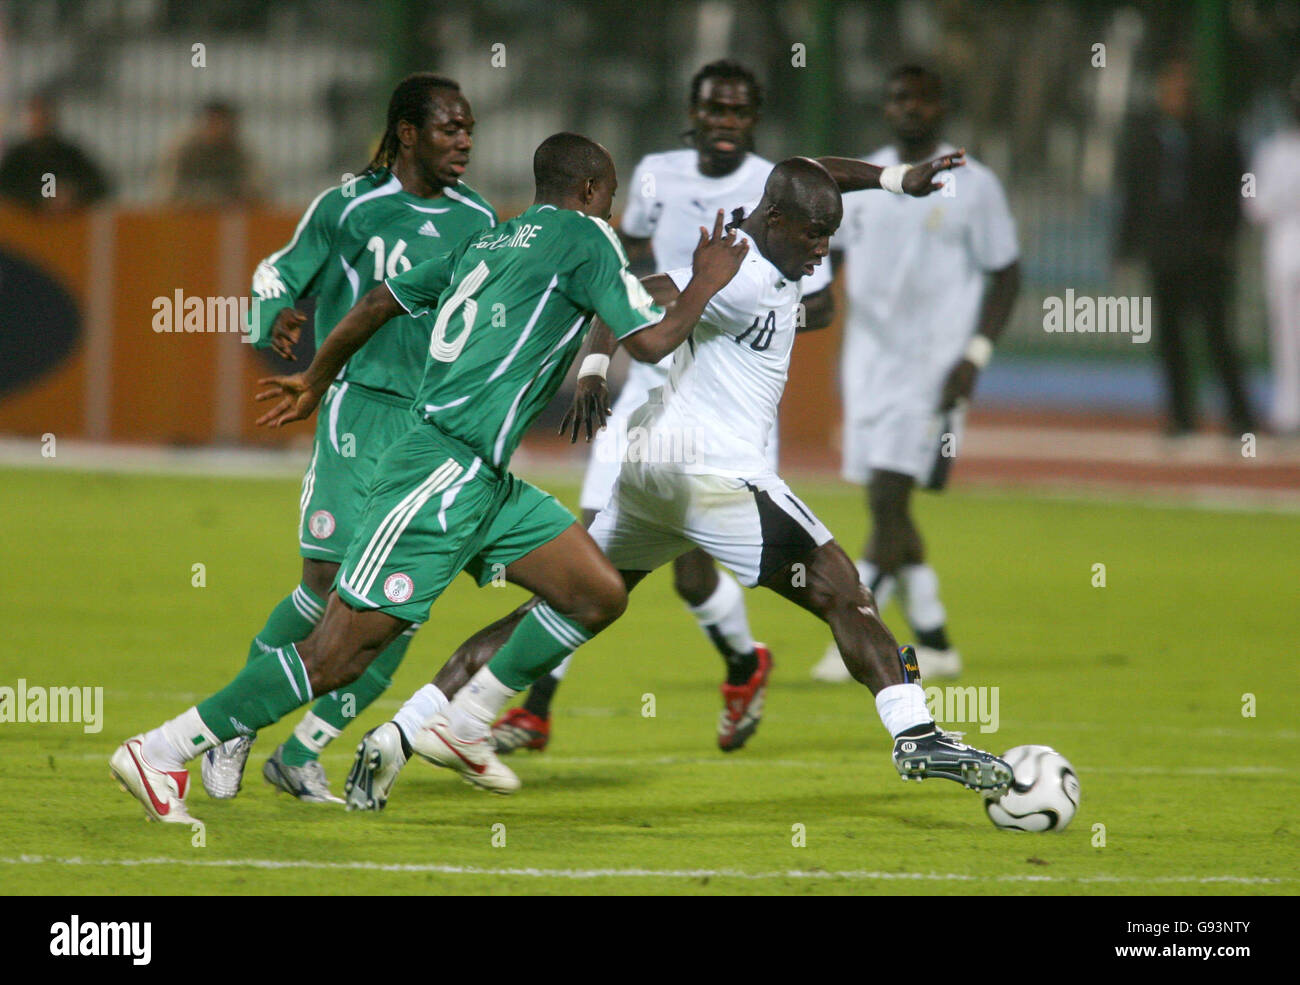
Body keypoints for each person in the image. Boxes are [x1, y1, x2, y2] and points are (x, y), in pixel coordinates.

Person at [110, 132, 749, 823]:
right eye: (612, 194)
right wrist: (708, 279)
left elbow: (380, 299)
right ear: (593, 191)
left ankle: (464, 719)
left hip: (486, 480)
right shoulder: (585, 238)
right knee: (338, 655)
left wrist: (315, 381)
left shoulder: (494, 241)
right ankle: (164, 747)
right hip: (442, 469)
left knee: (595, 591)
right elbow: (652, 339)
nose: (612, 208)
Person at [344, 155, 1014, 813]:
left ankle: (408, 730)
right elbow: (646, 313)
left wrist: (896, 181)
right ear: (776, 219)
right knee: (845, 590)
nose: (821, 250)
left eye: (829, 234)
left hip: (650, 476)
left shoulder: (774, 221)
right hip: (716, 477)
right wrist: (607, 358)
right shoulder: (741, 273)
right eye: (813, 235)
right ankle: (917, 735)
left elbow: (811, 175)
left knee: (560, 605)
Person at [494, 60, 834, 756]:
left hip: (726, 399)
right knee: (588, 548)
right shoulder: (654, 175)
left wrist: (735, 319)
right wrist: (607, 349)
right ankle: (534, 708)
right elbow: (628, 255)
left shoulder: (780, 189)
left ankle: (744, 663)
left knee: (690, 569)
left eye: (738, 111)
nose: (724, 122)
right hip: (653, 376)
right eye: (713, 108)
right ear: (695, 110)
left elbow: (820, 301)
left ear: (753, 119)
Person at [199, 74, 498, 804]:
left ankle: (302, 751)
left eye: (468, 129)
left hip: (432, 429)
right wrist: (267, 318)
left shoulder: (480, 218)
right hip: (357, 412)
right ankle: (236, 722)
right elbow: (280, 271)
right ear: (406, 132)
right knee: (326, 586)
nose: (463, 141)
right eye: (448, 128)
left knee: (398, 604)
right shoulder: (348, 206)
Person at [811, 65, 1020, 684]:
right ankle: (935, 639)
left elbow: (1006, 273)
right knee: (891, 508)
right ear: (886, 107)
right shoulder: (867, 179)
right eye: (899, 98)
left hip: (935, 369)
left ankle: (851, 634)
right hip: (868, 368)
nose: (909, 109)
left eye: (921, 100)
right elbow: (828, 257)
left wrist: (974, 355)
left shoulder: (975, 186)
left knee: (886, 497)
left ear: (941, 107)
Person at [1116, 55, 1254, 437]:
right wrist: (1126, 245)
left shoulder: (1217, 136)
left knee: (1217, 334)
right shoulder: (1145, 140)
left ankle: (1241, 415)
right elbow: (1134, 196)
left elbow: (1236, 193)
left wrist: (1223, 237)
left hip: (1205, 253)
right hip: (1163, 251)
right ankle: (1181, 415)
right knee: (1170, 338)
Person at [1245, 71, 1300, 436]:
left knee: (1287, 338)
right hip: (1284, 253)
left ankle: (1289, 412)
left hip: (1283, 254)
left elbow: (1254, 206)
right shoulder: (1272, 150)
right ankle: (1287, 412)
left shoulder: (1272, 151)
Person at [0, 92, 110, 211]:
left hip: (65, 225)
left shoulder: (69, 155)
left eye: (43, 115)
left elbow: (98, 185)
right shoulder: (17, 157)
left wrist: (72, 195)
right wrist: (38, 199)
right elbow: (6, 189)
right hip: (24, 225)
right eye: (34, 114)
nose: (39, 120)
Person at [156, 100, 264, 205]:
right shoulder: (183, 151)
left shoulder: (242, 154)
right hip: (186, 213)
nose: (218, 128)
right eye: (212, 122)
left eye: (222, 123)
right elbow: (165, 190)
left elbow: (257, 192)